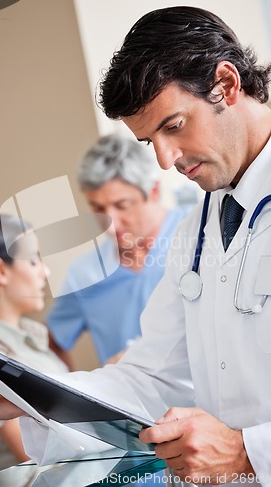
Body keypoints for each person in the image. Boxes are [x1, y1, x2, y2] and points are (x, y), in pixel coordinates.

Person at [0, 5, 271, 486]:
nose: (168, 160)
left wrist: (249, 451)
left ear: (227, 84)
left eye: (173, 126)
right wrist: (33, 395)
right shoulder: (197, 230)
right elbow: (148, 376)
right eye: (150, 142)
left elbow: (241, 447)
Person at [48, 133, 188, 367]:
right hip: (127, 402)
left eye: (122, 205)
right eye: (98, 208)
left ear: (153, 191)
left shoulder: (198, 233)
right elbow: (53, 341)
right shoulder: (85, 275)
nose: (110, 225)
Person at [0, 214, 69, 478]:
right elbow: (46, 466)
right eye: (32, 260)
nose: (45, 271)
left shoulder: (30, 343)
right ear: (0, 271)